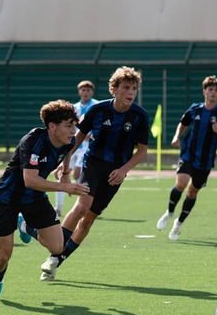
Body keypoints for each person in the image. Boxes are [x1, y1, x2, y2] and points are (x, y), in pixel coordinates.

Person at [20, 66, 149, 281]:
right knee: (81, 206)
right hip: (93, 165)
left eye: (134, 88)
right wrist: (66, 166)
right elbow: (76, 139)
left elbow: (142, 151)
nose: (131, 92)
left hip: (115, 173)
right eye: (126, 87)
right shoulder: (98, 111)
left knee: (88, 221)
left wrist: (123, 170)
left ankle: (56, 261)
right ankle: (54, 255)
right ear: (114, 89)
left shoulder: (140, 116)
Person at [0, 100, 90, 301]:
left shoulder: (70, 141)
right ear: (52, 126)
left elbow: (67, 152)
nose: (73, 130)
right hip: (8, 197)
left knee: (58, 247)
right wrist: (65, 186)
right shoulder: (33, 142)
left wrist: (66, 172)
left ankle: (24, 227)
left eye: (73, 125)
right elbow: (30, 180)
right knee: (3, 257)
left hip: (34, 198)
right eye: (68, 125)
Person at [156, 75, 217, 240]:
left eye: (216, 90)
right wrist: (177, 136)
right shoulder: (195, 109)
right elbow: (183, 123)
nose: (213, 92)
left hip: (205, 159)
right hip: (188, 153)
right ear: (204, 91)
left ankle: (178, 223)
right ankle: (169, 213)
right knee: (180, 184)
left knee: (192, 192)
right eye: (210, 89)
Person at [54, 80, 99, 216]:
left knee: (76, 173)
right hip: (72, 145)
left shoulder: (96, 106)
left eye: (88, 90)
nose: (86, 93)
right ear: (79, 92)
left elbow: (99, 125)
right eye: (83, 90)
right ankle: (58, 208)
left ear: (92, 92)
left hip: (86, 146)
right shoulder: (74, 108)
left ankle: (84, 204)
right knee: (62, 174)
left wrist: (89, 134)